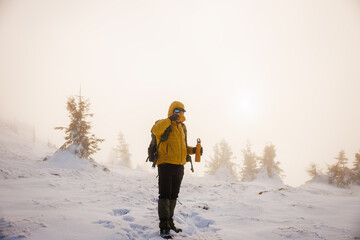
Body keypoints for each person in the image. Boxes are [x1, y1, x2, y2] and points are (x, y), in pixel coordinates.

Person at [151, 101, 202, 239]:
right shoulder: (163, 124)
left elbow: (183, 148)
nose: (181, 114)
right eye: (178, 111)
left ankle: (170, 222)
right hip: (166, 164)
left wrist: (194, 150)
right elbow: (155, 131)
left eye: (183, 112)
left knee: (173, 196)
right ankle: (163, 227)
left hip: (179, 166)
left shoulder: (182, 127)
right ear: (173, 111)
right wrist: (169, 120)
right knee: (165, 195)